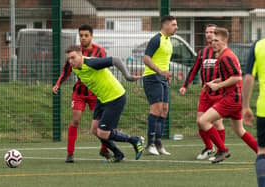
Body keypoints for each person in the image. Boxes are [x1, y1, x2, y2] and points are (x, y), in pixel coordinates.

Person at [65, 45, 144, 162]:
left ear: (81, 55)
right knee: (94, 130)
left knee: (103, 133)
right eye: (68, 59)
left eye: (73, 58)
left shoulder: (91, 63)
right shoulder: (75, 68)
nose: (71, 61)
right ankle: (118, 154)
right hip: (102, 99)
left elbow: (116, 60)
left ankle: (135, 140)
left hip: (115, 97)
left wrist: (127, 76)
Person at [198, 27, 258, 163]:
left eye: (216, 40)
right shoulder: (225, 55)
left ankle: (222, 150)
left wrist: (218, 86)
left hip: (231, 99)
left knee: (203, 121)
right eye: (212, 40)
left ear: (224, 41)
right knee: (239, 130)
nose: (213, 43)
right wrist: (213, 82)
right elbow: (228, 76)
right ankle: (261, 154)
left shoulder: (226, 56)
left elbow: (237, 77)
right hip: (236, 99)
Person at [53, 25, 110, 163]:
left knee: (100, 124)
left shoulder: (100, 51)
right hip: (79, 92)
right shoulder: (75, 52)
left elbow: (104, 71)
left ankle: (105, 149)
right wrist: (57, 84)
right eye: (81, 35)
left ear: (91, 36)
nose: (83, 38)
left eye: (86, 35)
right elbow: (66, 70)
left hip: (96, 93)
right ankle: (70, 154)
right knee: (76, 120)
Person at [179, 24, 225, 160]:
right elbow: (194, 69)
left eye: (212, 32)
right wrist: (185, 86)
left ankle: (221, 150)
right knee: (200, 121)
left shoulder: (223, 52)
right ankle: (209, 147)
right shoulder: (202, 52)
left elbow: (229, 73)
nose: (209, 34)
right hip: (205, 93)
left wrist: (218, 84)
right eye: (207, 32)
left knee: (217, 123)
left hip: (219, 93)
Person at [142, 15, 178, 155]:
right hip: (152, 77)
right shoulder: (156, 39)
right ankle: (150, 144)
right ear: (166, 25)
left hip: (162, 78)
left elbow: (164, 60)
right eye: (174, 25)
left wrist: (166, 74)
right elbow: (146, 58)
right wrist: (160, 71)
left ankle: (158, 143)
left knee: (164, 110)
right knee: (156, 109)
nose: (176, 27)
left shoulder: (168, 40)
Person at [243, 38, 265, 187]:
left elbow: (249, 77)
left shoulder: (259, 45)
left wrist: (245, 106)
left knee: (263, 151)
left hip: (264, 109)